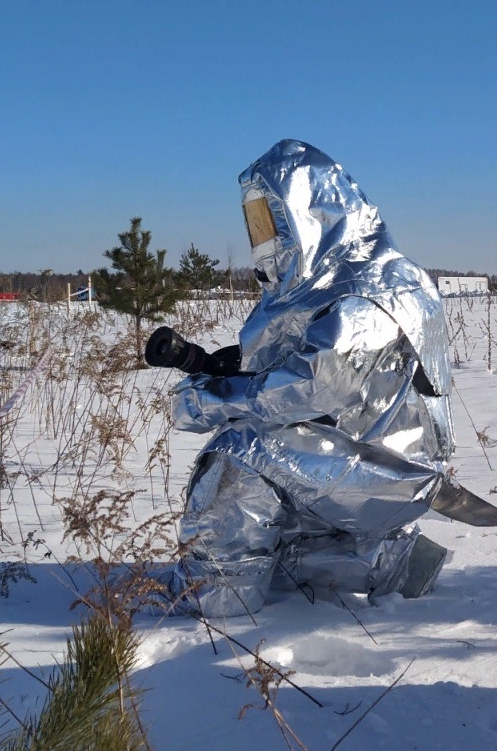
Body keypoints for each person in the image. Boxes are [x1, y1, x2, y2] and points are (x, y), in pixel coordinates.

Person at [163, 139, 454, 617]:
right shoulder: (316, 282)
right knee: (278, 512)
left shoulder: (371, 287)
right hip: (351, 456)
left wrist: (211, 400)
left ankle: (215, 597)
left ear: (309, 213)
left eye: (269, 219)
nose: (263, 235)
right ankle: (387, 562)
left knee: (240, 452)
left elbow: (312, 385)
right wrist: (225, 370)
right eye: (255, 220)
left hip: (389, 470)